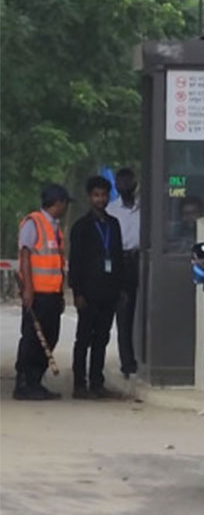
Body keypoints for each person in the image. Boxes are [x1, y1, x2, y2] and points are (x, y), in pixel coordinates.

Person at [14, 184, 70, 400]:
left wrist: (61, 292)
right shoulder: (34, 222)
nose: (65, 208)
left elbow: (56, 261)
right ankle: (24, 382)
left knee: (50, 337)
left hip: (52, 293)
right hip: (36, 293)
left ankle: (36, 381)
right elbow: (25, 255)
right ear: (58, 203)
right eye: (64, 203)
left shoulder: (54, 227)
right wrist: (28, 288)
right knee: (31, 338)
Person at [69, 176, 123, 399]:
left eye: (103, 195)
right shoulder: (81, 227)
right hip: (88, 291)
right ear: (89, 197)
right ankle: (79, 384)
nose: (100, 199)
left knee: (102, 337)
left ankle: (96, 382)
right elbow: (75, 261)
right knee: (83, 338)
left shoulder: (113, 224)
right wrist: (77, 292)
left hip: (109, 290)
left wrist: (120, 288)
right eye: (96, 195)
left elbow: (118, 257)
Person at [106, 167, 139, 379]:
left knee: (143, 313)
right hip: (122, 262)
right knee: (124, 315)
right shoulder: (111, 210)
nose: (126, 185)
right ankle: (128, 364)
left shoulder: (146, 209)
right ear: (116, 186)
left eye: (130, 181)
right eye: (122, 182)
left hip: (143, 260)